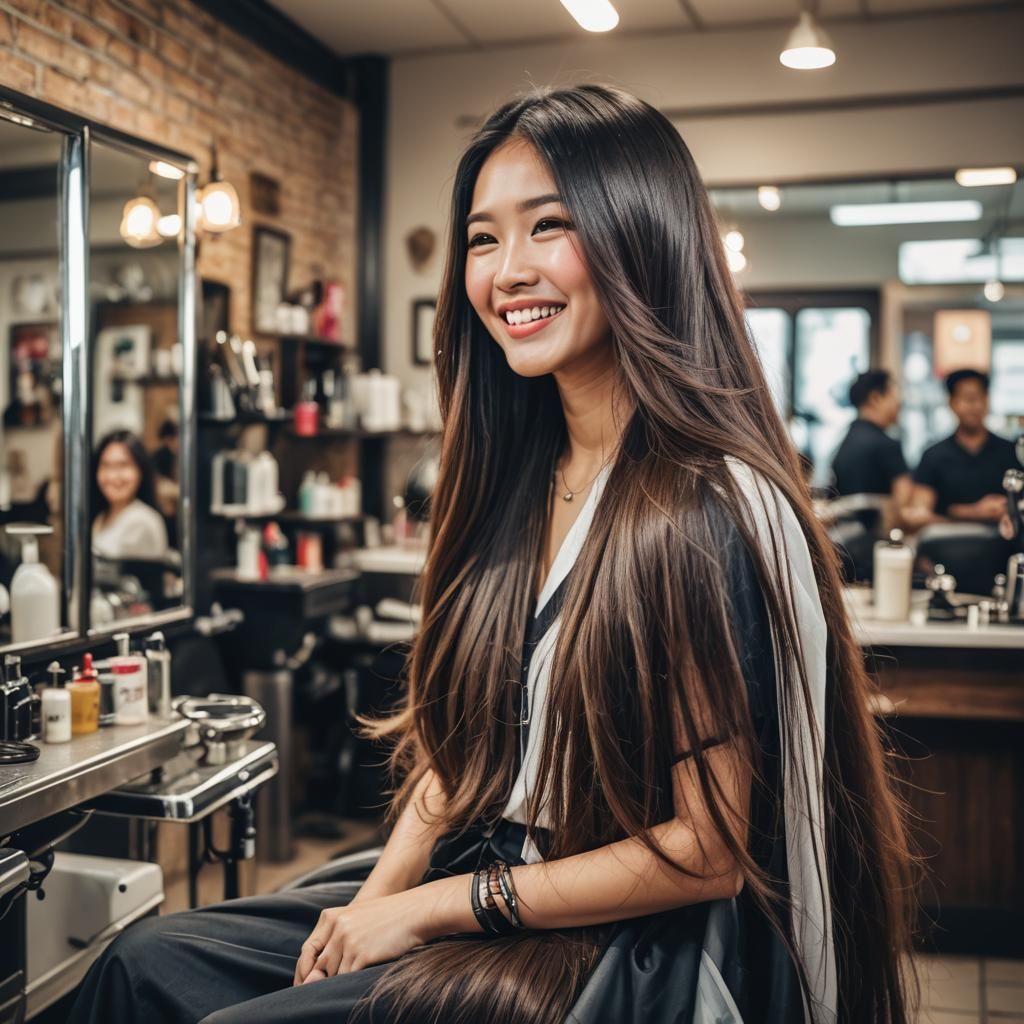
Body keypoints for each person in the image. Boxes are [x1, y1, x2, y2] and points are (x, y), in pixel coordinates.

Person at [69, 85, 915, 1024]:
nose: (507, 271)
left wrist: (432, 909)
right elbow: (457, 758)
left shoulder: (700, 508)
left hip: (615, 946)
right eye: (482, 238)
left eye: (547, 227)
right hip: (486, 873)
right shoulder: (520, 484)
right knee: (145, 964)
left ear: (640, 234)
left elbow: (707, 849)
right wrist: (373, 906)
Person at [905, 369, 1017, 528]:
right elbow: (917, 516)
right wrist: (973, 512)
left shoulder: (1011, 452)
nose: (972, 405)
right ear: (951, 402)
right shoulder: (933, 456)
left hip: (1003, 546)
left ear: (987, 400)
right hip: (947, 546)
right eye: (965, 398)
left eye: (978, 397)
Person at [830, 369, 911, 510]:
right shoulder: (886, 445)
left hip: (844, 528)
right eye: (893, 395)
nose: (899, 403)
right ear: (875, 398)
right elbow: (903, 505)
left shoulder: (843, 442)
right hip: (879, 530)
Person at [90, 429, 168, 559]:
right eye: (106, 465)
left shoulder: (142, 521)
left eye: (123, 465)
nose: (113, 476)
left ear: (140, 471)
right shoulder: (100, 517)